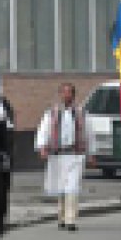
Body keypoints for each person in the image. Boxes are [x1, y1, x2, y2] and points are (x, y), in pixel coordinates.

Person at [35, 83, 92, 231]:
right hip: (57, 155)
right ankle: (61, 217)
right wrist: (42, 147)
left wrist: (91, 153)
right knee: (60, 188)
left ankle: (70, 220)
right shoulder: (52, 113)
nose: (66, 96)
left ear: (73, 95)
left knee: (72, 187)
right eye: (64, 93)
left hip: (75, 155)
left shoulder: (81, 113)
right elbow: (44, 130)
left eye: (69, 93)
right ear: (60, 94)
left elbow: (88, 134)